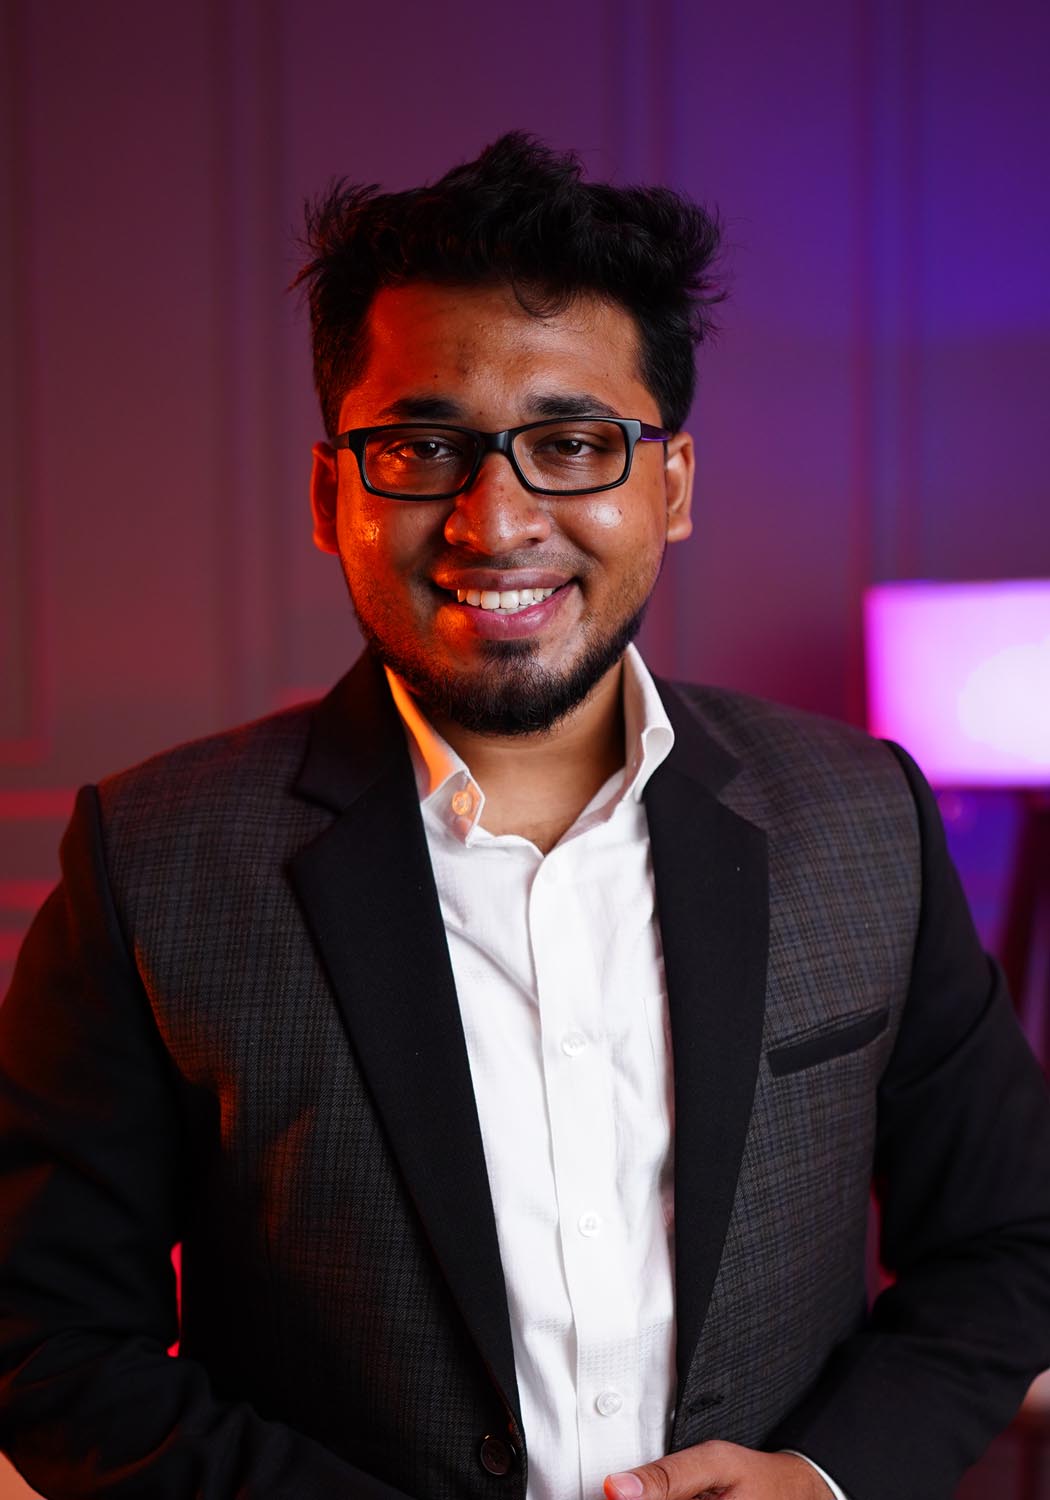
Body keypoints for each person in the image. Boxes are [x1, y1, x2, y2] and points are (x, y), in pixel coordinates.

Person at [1, 132, 1049, 1500]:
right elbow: (48, 1343)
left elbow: (1009, 1244)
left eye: (572, 444)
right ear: (330, 493)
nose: (495, 522)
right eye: (420, 446)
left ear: (671, 485)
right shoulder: (153, 859)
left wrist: (825, 1476)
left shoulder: (864, 822)